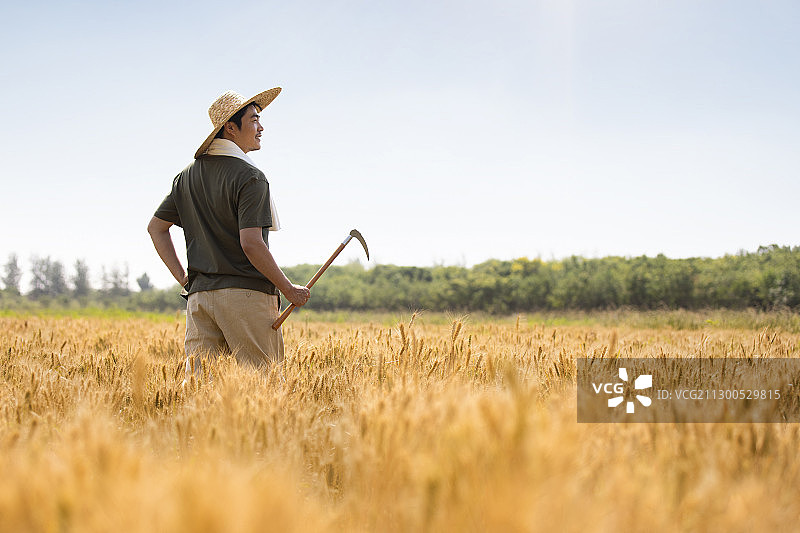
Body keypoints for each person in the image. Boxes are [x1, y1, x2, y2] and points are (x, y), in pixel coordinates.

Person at [147, 88, 310, 369]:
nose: (261, 127)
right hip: (245, 297)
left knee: (201, 390)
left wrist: (186, 280)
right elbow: (251, 243)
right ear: (231, 128)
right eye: (254, 120)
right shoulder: (251, 177)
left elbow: (155, 228)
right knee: (261, 387)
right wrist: (288, 288)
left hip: (199, 299)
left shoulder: (185, 177)